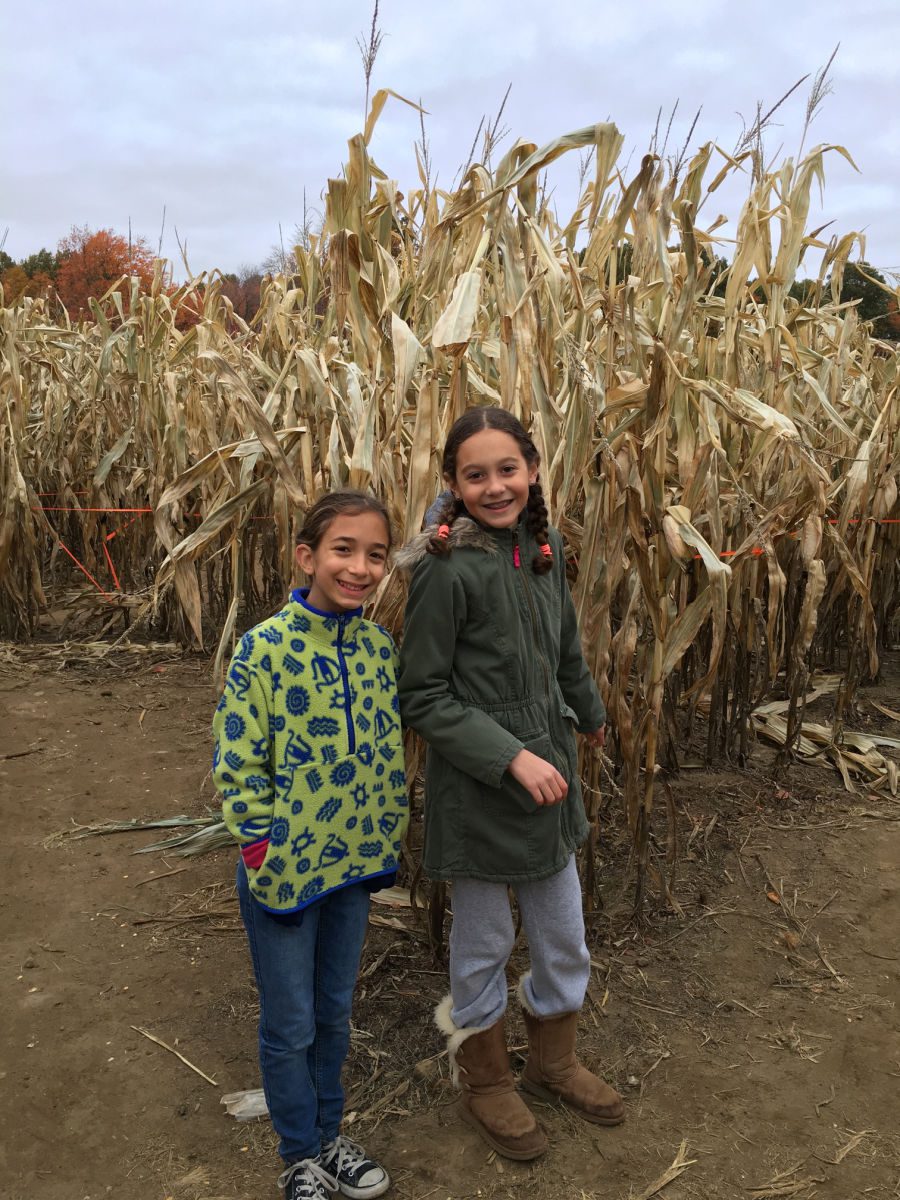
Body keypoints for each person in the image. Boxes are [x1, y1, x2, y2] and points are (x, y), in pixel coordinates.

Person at [397, 406, 624, 1161]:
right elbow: (423, 695)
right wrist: (510, 757)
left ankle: (554, 1060)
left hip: (550, 772)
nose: (496, 486)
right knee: (486, 940)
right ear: (454, 486)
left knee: (564, 933)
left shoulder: (545, 546)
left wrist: (588, 714)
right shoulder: (444, 568)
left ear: (531, 471)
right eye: (476, 474)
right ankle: (488, 1078)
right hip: (483, 788)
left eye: (508, 469)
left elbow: (566, 652)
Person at [213, 490, 409, 1200]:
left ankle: (331, 1136)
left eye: (376, 555)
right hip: (285, 872)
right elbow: (236, 761)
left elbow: (386, 749)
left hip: (352, 867)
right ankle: (300, 1152)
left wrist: (387, 830)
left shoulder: (378, 647)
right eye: (343, 550)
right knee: (290, 1021)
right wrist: (263, 848)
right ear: (307, 556)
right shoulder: (263, 649)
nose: (359, 567)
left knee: (334, 1012)